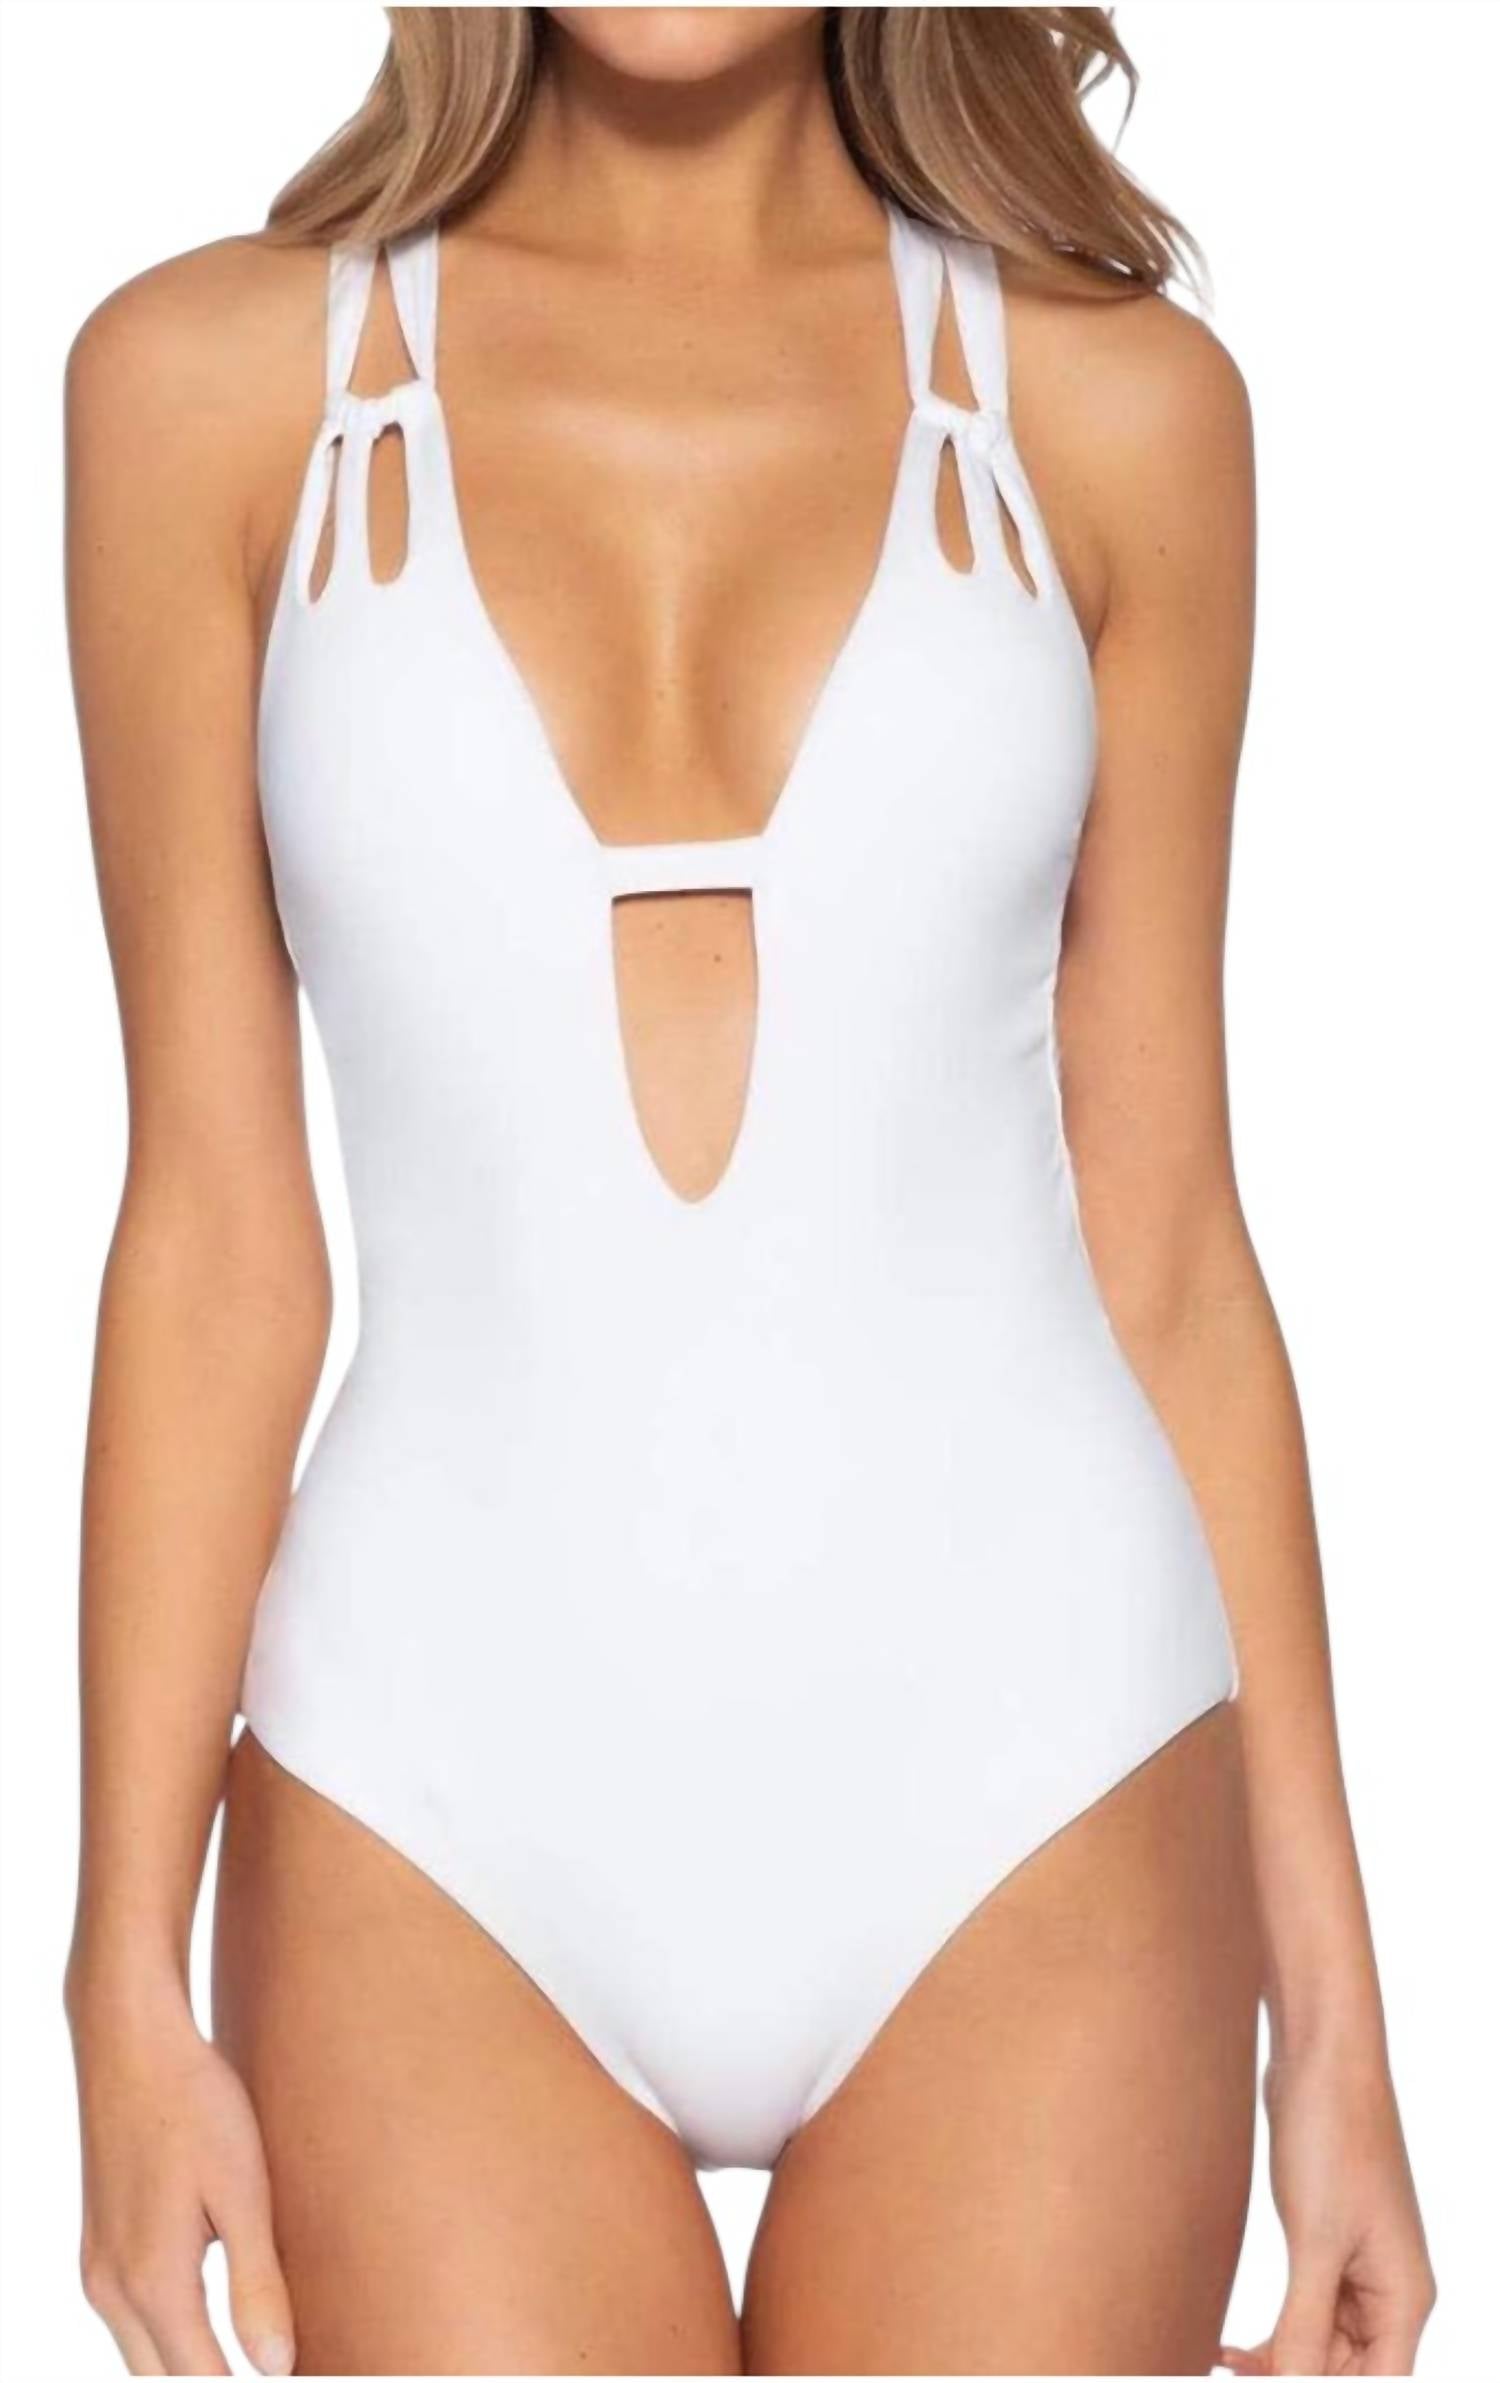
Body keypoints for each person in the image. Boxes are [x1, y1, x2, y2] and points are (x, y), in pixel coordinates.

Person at [63, 8, 1433, 2375]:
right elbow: (211, 1240)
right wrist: (113, 1968)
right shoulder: (201, 396)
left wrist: (1339, 2018)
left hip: (1039, 1778)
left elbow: (1175, 1248)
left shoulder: (1123, 413)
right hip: (426, 1799)